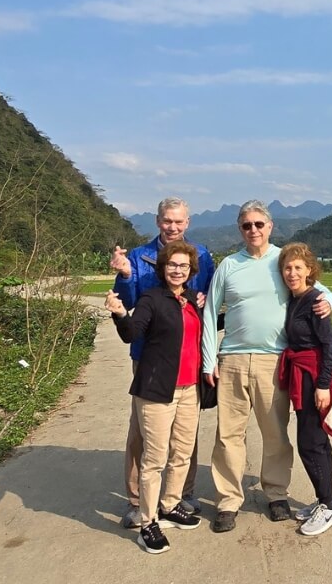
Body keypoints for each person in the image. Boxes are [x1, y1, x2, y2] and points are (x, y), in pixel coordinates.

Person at [201, 200, 332, 533]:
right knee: (228, 436)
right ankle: (229, 501)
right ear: (240, 229)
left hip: (274, 361)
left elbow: (322, 292)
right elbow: (209, 314)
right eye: (247, 225)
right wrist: (208, 360)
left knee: (275, 433)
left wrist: (328, 302)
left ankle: (276, 494)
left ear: (270, 226)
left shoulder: (282, 262)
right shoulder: (228, 266)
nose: (253, 230)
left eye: (259, 224)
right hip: (231, 358)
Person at [111, 198, 215, 528]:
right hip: (149, 357)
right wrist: (126, 275)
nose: (173, 227)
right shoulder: (139, 257)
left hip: (188, 359)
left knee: (186, 433)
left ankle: (180, 495)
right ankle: (138, 501)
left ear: (188, 222)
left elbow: (210, 299)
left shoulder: (201, 255)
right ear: (158, 221)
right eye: (167, 221)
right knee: (142, 433)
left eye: (179, 222)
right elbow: (128, 303)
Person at [277, 242, 332, 537]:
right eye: (287, 267)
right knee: (316, 441)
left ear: (310, 271)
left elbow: (329, 345)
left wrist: (322, 386)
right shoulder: (295, 299)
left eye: (298, 267)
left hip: (314, 377)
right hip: (303, 375)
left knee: (310, 443)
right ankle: (325, 500)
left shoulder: (315, 299)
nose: (292, 272)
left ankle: (330, 506)